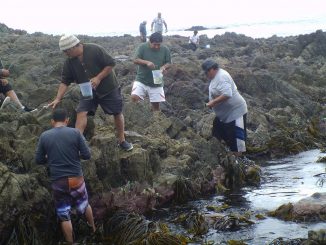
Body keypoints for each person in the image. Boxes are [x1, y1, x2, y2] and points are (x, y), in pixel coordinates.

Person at [48, 34, 133, 151]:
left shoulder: (94, 49)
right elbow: (64, 81)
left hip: (108, 88)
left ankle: (122, 140)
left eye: (66, 51)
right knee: (81, 112)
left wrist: (98, 78)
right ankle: (77, 144)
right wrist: (58, 98)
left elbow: (111, 63)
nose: (65, 54)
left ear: (73, 47)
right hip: (87, 92)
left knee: (117, 112)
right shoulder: (69, 62)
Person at [35, 108, 96, 244]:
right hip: (76, 178)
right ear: (67, 120)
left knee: (64, 214)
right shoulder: (75, 133)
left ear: (52, 122)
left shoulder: (45, 136)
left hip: (58, 180)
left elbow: (38, 160)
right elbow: (87, 155)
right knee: (85, 204)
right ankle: (93, 229)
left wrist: (49, 158)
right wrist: (75, 155)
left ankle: (70, 242)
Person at [202, 60, 248, 156]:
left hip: (236, 113)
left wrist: (213, 102)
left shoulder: (222, 76)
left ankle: (239, 161)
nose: (205, 74)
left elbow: (227, 94)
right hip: (224, 116)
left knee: (237, 142)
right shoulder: (215, 76)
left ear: (212, 69)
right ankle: (222, 155)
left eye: (206, 72)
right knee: (217, 133)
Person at [131, 32, 171, 111]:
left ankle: (155, 121)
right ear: (150, 41)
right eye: (154, 44)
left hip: (157, 79)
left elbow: (169, 63)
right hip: (142, 79)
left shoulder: (165, 49)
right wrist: (147, 63)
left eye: (158, 44)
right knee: (134, 97)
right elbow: (135, 60)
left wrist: (164, 67)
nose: (156, 47)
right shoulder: (142, 47)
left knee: (156, 106)